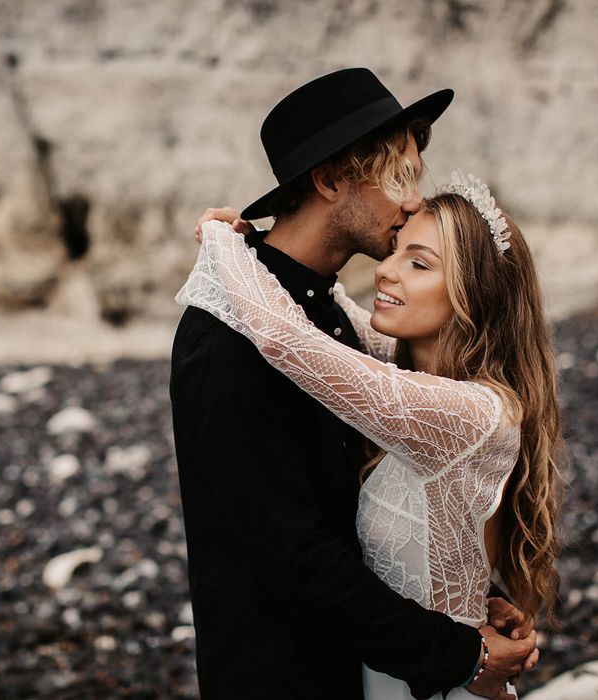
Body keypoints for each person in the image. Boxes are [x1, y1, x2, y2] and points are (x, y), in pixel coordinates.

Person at [170, 68, 538, 700]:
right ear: (331, 179)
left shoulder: (333, 316)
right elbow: (294, 558)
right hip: (286, 678)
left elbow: (374, 510)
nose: (415, 201)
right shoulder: (226, 339)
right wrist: (460, 654)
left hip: (366, 667)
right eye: (401, 177)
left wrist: (462, 597)